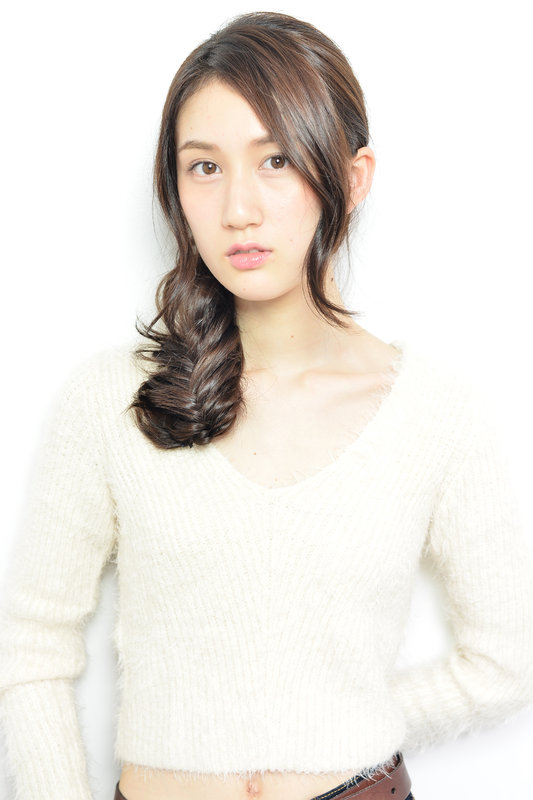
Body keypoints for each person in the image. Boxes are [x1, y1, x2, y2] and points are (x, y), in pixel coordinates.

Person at [0, 10, 532, 800]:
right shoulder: (111, 400)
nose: (237, 209)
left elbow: (505, 662)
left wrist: (336, 722)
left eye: (275, 159)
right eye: (203, 167)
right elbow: (31, 647)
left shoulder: (436, 414)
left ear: (352, 177)